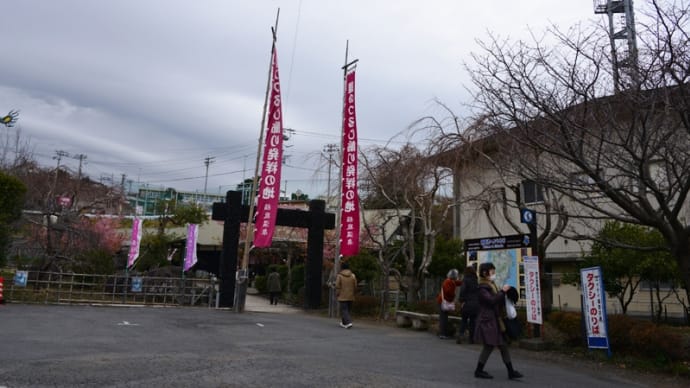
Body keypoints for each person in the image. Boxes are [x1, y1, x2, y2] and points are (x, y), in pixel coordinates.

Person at [473, 262, 523, 380]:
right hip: (488, 320)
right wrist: (503, 292)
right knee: (489, 345)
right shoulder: (482, 288)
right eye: (492, 272)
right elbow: (491, 301)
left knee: (502, 345)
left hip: (495, 319)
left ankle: (511, 371)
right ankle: (479, 370)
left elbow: (496, 300)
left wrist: (506, 294)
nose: (494, 274)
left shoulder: (490, 285)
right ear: (485, 273)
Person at [436, 268, 462, 339]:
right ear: (454, 276)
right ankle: (442, 334)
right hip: (443, 302)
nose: (457, 277)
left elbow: (458, 283)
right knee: (443, 318)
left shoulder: (451, 281)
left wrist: (464, 281)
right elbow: (448, 292)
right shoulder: (448, 282)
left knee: (444, 318)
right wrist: (453, 295)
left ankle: (443, 333)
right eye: (457, 275)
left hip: (443, 302)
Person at [457, 264, 479, 344]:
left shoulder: (465, 280)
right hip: (475, 304)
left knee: (464, 320)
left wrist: (461, 301)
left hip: (467, 303)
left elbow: (463, 291)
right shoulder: (476, 280)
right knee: (473, 321)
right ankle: (471, 339)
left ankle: (460, 335)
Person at [335, 261, 357, 329]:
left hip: (342, 295)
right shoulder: (353, 275)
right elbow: (355, 286)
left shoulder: (340, 276)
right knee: (347, 309)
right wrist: (354, 293)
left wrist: (337, 293)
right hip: (350, 295)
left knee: (344, 310)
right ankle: (344, 323)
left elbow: (337, 285)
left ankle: (348, 322)